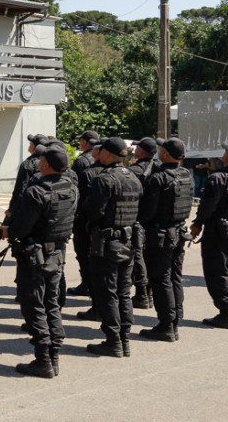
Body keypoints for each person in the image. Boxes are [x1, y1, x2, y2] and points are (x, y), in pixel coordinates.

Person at [4, 144, 78, 378]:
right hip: (57, 254)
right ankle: (53, 356)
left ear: (46, 164)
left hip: (35, 256)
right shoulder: (72, 187)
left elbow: (22, 227)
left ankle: (43, 360)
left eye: (42, 160)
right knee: (51, 304)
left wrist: (9, 230)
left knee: (34, 305)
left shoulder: (37, 191)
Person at [81, 137, 143, 357]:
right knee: (124, 292)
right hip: (128, 239)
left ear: (107, 153)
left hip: (108, 242)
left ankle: (113, 340)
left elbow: (94, 211)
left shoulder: (104, 179)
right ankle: (124, 339)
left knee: (107, 292)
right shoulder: (133, 177)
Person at [189, 143, 228, 330]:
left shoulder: (218, 178)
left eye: (227, 152)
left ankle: (226, 314)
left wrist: (198, 223)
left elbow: (208, 206)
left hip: (217, 230)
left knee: (217, 271)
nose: (223, 154)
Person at [137, 138, 194, 342]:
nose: (159, 150)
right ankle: (175, 318)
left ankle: (166, 325)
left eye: (162, 149)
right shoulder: (187, 174)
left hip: (160, 235)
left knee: (161, 280)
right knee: (175, 277)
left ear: (167, 154)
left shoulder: (158, 178)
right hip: (179, 232)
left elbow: (147, 212)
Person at [67, 130, 100, 297]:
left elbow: (76, 190)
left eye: (81, 140)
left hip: (83, 214)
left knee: (83, 251)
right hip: (97, 214)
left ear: (85, 143)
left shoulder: (81, 162)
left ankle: (87, 284)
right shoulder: (102, 160)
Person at [128, 137, 160, 309]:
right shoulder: (159, 168)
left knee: (138, 256)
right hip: (154, 220)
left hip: (138, 218)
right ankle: (147, 293)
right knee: (148, 258)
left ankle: (142, 294)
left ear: (141, 151)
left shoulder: (134, 170)